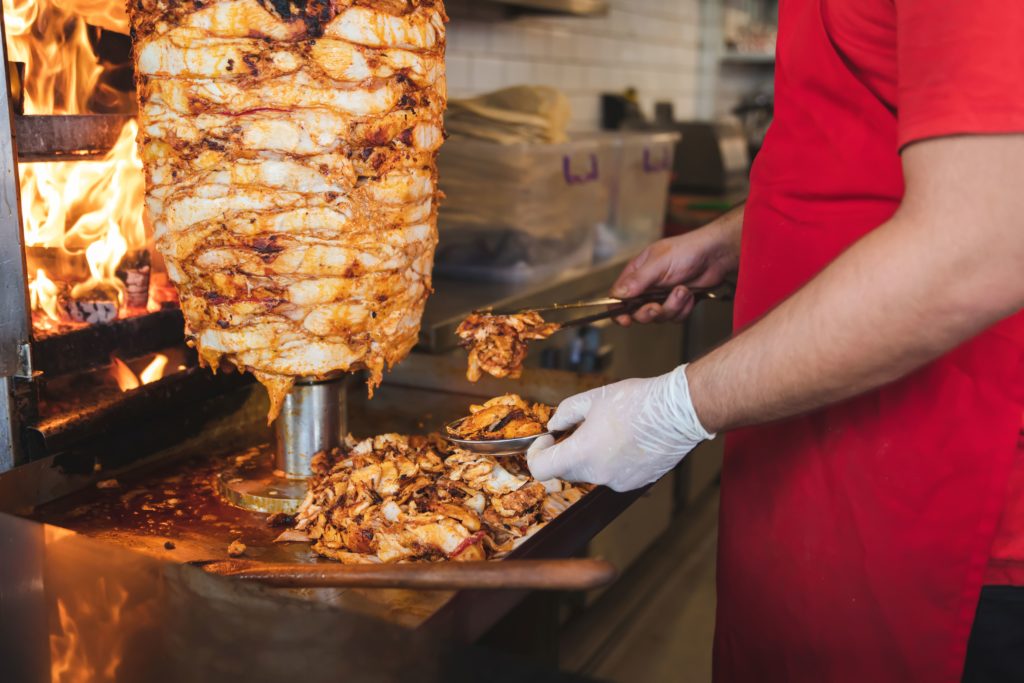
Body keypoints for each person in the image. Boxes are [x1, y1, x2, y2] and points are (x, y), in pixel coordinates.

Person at [526, 2, 1024, 682]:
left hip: (938, 510)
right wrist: (744, 235)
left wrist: (676, 407)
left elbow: (985, 242)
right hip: (811, 471)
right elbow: (868, 149)